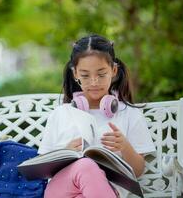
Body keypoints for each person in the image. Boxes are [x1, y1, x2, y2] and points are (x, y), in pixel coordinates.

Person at [38, 34, 156, 198]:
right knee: (85, 165)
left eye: (101, 74)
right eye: (85, 75)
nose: (94, 82)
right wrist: (65, 152)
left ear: (113, 71)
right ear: (75, 74)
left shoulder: (129, 114)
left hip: (107, 191)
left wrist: (124, 147)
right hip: (61, 191)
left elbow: (137, 172)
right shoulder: (61, 113)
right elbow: (42, 170)